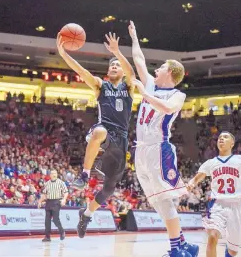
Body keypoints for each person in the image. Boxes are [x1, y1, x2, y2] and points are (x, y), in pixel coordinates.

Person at [128, 21, 198, 257]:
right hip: (141, 150)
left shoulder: (178, 94)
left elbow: (167, 109)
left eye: (160, 68)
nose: (155, 70)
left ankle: (177, 249)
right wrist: (135, 37)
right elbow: (139, 61)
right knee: (157, 201)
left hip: (159, 149)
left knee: (165, 199)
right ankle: (183, 244)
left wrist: (145, 94)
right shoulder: (151, 85)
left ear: (170, 72)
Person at [56, 31, 135, 238]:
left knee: (109, 188)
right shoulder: (101, 85)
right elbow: (81, 71)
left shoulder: (129, 87)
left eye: (117, 65)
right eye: (112, 65)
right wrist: (64, 55)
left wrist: (117, 52)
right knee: (98, 131)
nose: (114, 66)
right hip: (105, 131)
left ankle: (87, 215)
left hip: (122, 139)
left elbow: (131, 72)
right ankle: (84, 174)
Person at [187, 131, 241, 257]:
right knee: (212, 237)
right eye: (219, 138)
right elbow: (196, 178)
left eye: (225, 137)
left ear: (232, 143)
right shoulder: (211, 163)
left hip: (237, 206)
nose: (221, 139)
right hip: (218, 204)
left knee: (232, 251)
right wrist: (190, 184)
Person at [38, 169, 68, 242]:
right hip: (48, 202)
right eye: (52, 173)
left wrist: (64, 199)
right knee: (47, 220)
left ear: (57, 174)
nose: (54, 175)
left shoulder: (61, 183)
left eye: (55, 173)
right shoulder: (47, 183)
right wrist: (40, 201)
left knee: (55, 219)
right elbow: (44, 194)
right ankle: (47, 237)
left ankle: (62, 232)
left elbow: (66, 192)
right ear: (50, 175)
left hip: (56, 202)